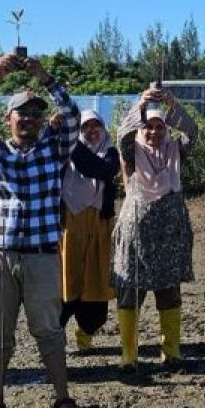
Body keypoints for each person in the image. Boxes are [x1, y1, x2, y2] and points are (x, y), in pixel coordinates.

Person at [0, 54, 87, 408]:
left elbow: (73, 117)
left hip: (43, 257)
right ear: (8, 119)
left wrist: (46, 78)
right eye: (21, 113)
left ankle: (62, 399)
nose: (28, 118)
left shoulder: (55, 150)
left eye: (35, 113)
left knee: (49, 332)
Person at [112, 86, 197, 373]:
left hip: (170, 233)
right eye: (149, 126)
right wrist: (142, 103)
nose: (154, 132)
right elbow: (122, 134)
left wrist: (173, 106)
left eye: (160, 126)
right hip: (136, 234)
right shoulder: (131, 151)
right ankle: (128, 355)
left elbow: (192, 133)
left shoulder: (176, 150)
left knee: (170, 291)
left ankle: (171, 351)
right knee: (129, 292)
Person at [60, 109, 120, 353]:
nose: (92, 131)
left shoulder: (111, 154)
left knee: (96, 281)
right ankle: (56, 338)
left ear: (103, 128)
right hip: (70, 224)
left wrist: (72, 141)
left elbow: (101, 170)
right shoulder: (65, 156)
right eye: (85, 127)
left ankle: (85, 333)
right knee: (67, 279)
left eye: (96, 126)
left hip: (100, 226)